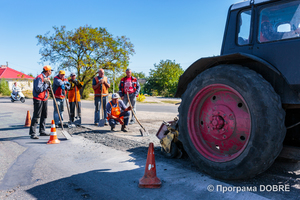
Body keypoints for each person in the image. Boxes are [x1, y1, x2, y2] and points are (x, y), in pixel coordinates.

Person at [29, 65, 53, 139]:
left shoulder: (47, 78)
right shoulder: (39, 77)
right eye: (50, 71)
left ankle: (42, 131)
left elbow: (47, 88)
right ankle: (33, 133)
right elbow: (38, 89)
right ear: (47, 71)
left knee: (44, 115)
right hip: (38, 99)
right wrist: (46, 85)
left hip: (44, 99)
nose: (51, 72)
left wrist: (49, 86)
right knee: (36, 116)